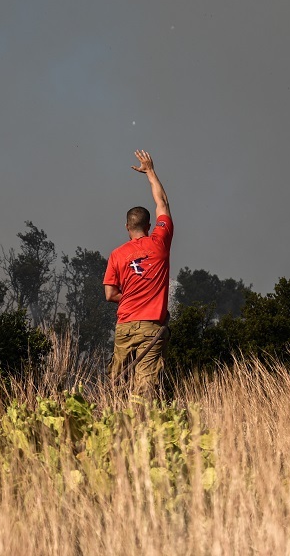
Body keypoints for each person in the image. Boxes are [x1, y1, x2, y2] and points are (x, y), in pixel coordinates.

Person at [103, 150, 174, 395]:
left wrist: (130, 298)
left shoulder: (116, 254)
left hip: (124, 327)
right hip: (151, 327)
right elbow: (162, 203)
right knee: (146, 387)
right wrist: (150, 171)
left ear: (127, 227)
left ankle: (117, 425)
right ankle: (145, 426)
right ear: (149, 225)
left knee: (116, 385)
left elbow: (110, 294)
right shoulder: (160, 242)